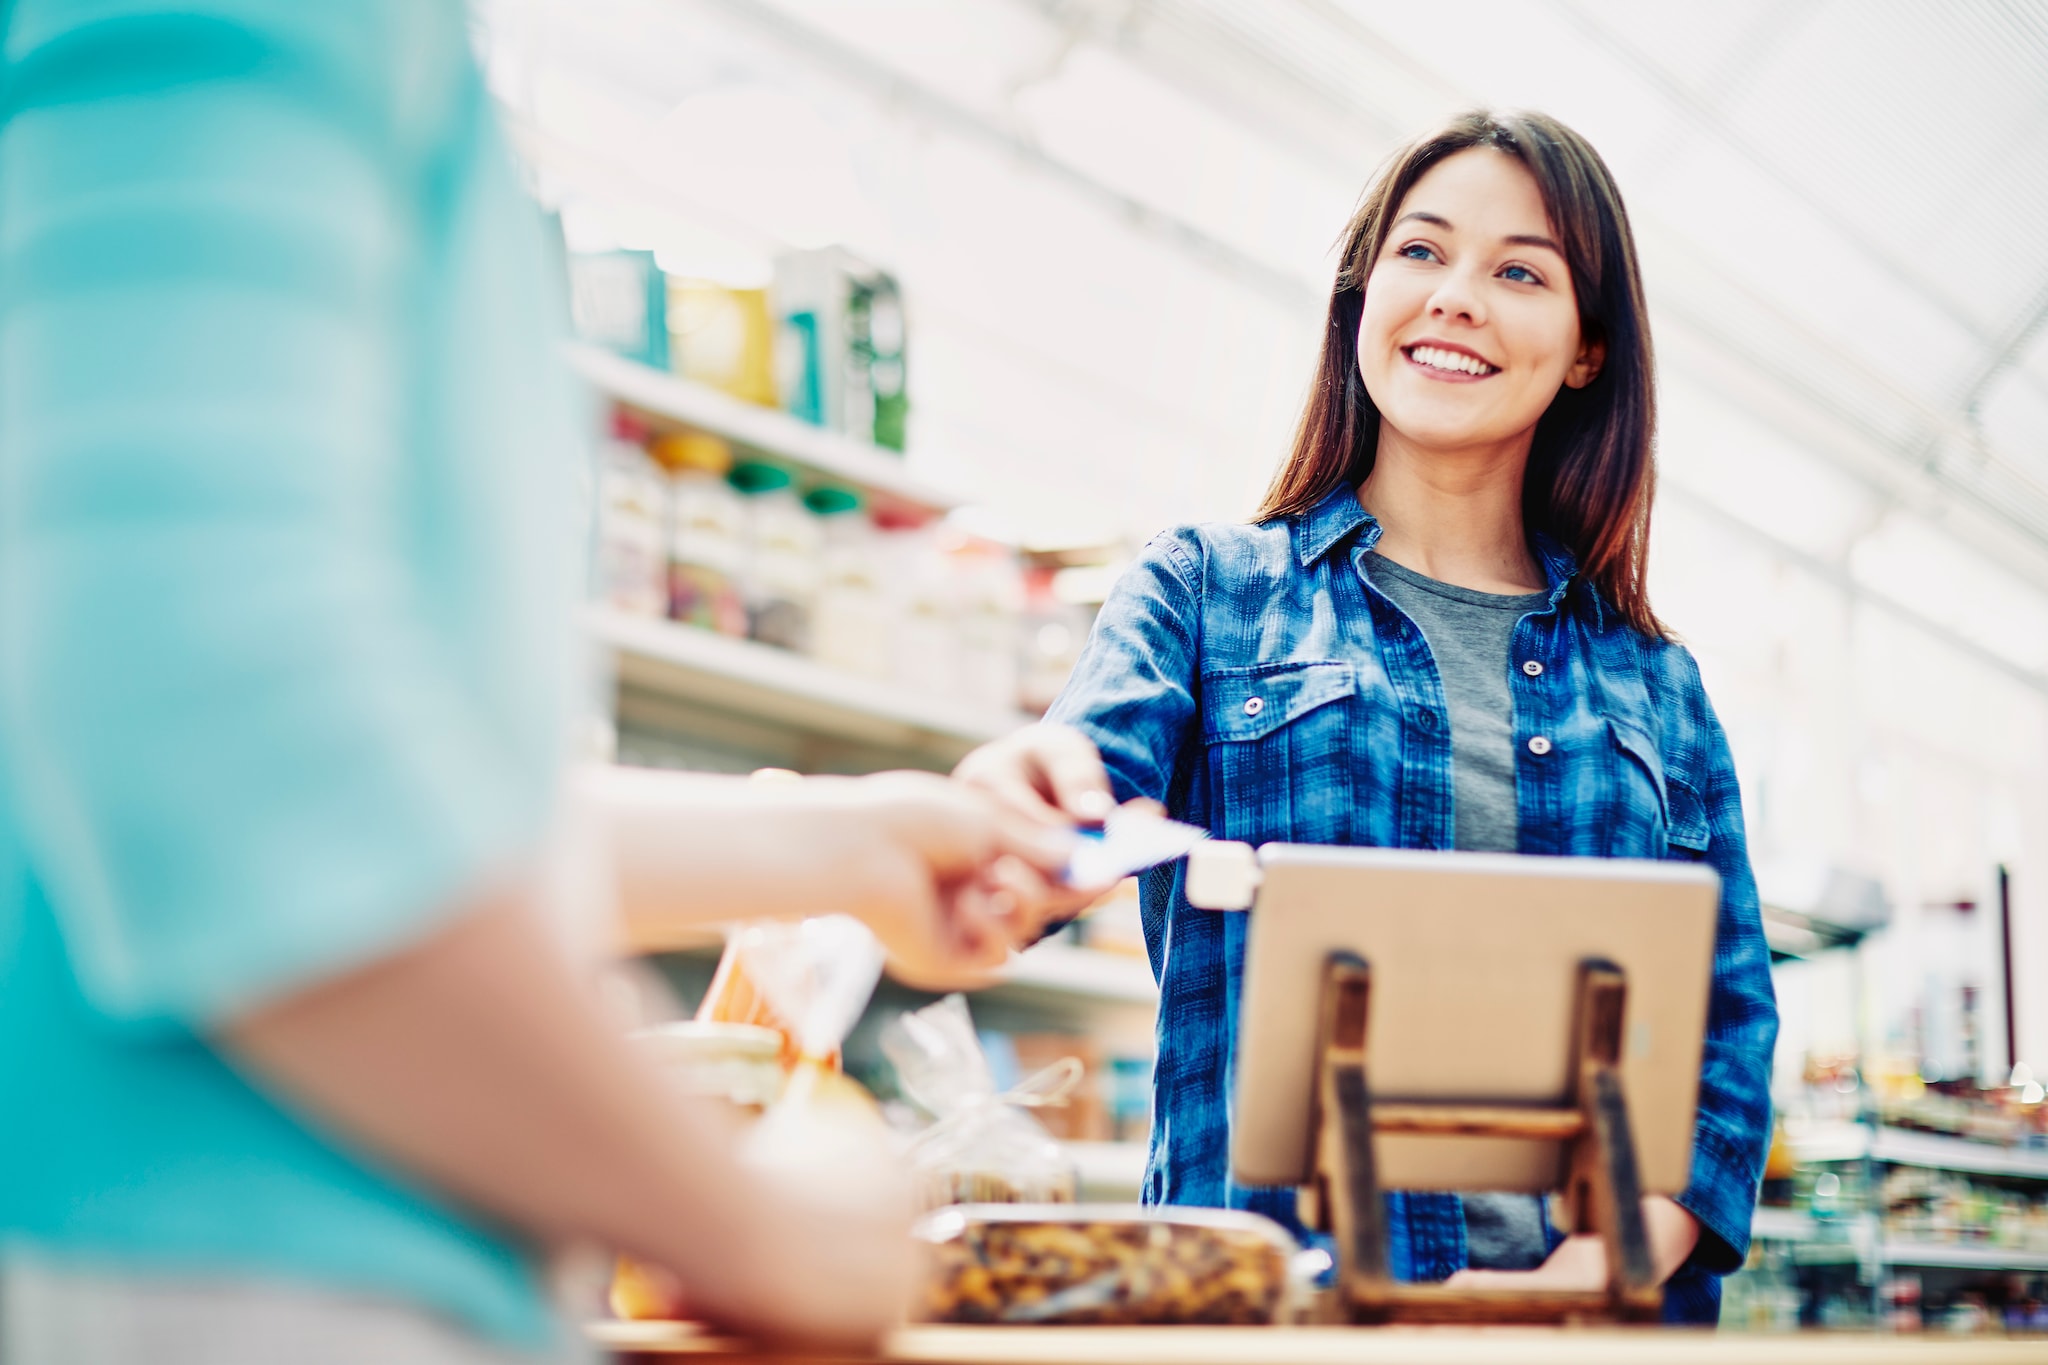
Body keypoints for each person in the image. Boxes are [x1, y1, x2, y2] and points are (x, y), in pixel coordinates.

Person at [0, 4, 1072, 1361]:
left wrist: (840, 848)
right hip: (243, 1279)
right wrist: (750, 1225)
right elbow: (208, 727)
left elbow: (321, 785)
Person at [956, 110, 1779, 1324]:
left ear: (1587, 348)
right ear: (1357, 298)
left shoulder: (1656, 684)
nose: (1455, 297)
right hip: (1282, 1313)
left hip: (1591, 1326)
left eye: (1518, 272)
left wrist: (1609, 1265)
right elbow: (1065, 804)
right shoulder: (1204, 590)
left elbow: (1729, 1022)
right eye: (1419, 252)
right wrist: (1014, 807)